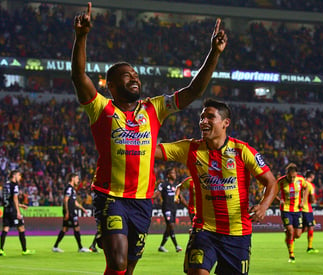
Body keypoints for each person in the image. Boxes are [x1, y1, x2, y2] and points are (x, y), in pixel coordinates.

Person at [71, 3, 227, 274]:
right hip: (110, 196)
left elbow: (193, 91)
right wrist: (81, 37)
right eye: (126, 75)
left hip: (143, 201)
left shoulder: (153, 108)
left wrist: (214, 53)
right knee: (117, 262)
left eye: (136, 75)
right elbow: (78, 76)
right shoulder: (101, 109)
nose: (134, 78)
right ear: (111, 85)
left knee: (129, 267)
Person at [155, 98, 278, 274]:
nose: (203, 121)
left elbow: (271, 182)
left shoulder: (242, 151)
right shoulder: (190, 149)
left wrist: (264, 205)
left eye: (210, 117)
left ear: (225, 123)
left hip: (237, 233)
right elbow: (152, 150)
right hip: (204, 230)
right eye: (202, 117)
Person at [277, 163, 308, 263]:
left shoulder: (301, 180)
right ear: (286, 174)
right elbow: (271, 191)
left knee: (298, 234)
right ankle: (291, 255)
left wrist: (303, 201)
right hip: (286, 209)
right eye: (290, 177)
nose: (292, 179)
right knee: (290, 231)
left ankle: (289, 239)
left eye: (294, 177)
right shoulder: (281, 181)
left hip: (297, 210)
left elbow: (306, 188)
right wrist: (278, 200)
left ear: (296, 174)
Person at [0, 170, 35, 256]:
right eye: (19, 176)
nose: (20, 177)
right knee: (21, 228)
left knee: (5, 228)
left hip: (6, 209)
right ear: (14, 176)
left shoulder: (5, 185)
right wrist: (18, 212)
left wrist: (20, 205)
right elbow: (15, 198)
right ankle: (24, 250)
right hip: (13, 211)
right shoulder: (14, 185)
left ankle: (1, 249)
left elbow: (9, 199)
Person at [52, 173, 90, 253]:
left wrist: (82, 208)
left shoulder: (72, 189)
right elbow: (65, 200)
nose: (78, 180)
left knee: (65, 229)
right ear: (72, 178)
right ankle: (80, 248)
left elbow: (74, 202)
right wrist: (67, 212)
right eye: (77, 178)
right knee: (76, 228)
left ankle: (55, 247)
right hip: (70, 212)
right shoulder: (69, 188)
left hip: (71, 211)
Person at [152, 167, 182, 253]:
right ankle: (177, 246)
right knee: (171, 225)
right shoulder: (163, 184)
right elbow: (156, 194)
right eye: (173, 173)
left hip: (173, 208)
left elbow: (177, 197)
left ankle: (161, 246)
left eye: (175, 173)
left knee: (169, 228)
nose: (175, 174)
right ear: (168, 175)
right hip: (166, 208)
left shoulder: (175, 186)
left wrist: (178, 200)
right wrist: (147, 197)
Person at [302, 170, 318, 254]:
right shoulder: (310, 185)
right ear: (312, 176)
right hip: (307, 209)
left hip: (299, 209)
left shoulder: (300, 183)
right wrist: (314, 200)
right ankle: (310, 247)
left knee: (303, 228)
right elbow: (312, 199)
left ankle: (291, 238)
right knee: (310, 227)